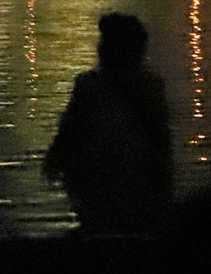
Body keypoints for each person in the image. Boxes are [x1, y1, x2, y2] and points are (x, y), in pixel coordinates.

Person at [45, 13, 173, 233]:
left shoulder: (89, 87)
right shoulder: (151, 88)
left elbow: (67, 135)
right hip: (140, 196)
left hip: (96, 193)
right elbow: (161, 144)